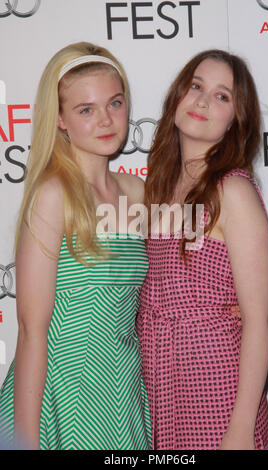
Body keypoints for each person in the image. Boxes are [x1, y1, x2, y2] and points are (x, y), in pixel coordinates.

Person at [0, 42, 152, 450]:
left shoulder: (137, 193)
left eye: (115, 103)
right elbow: (32, 331)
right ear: (62, 119)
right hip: (61, 394)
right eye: (86, 110)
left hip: (123, 388)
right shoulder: (53, 195)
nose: (106, 120)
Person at [136, 49, 268, 450]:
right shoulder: (157, 189)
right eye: (196, 86)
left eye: (222, 96)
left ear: (236, 121)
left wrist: (241, 428)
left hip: (217, 389)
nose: (202, 100)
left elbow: (259, 320)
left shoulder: (232, 191)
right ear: (177, 96)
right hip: (161, 385)